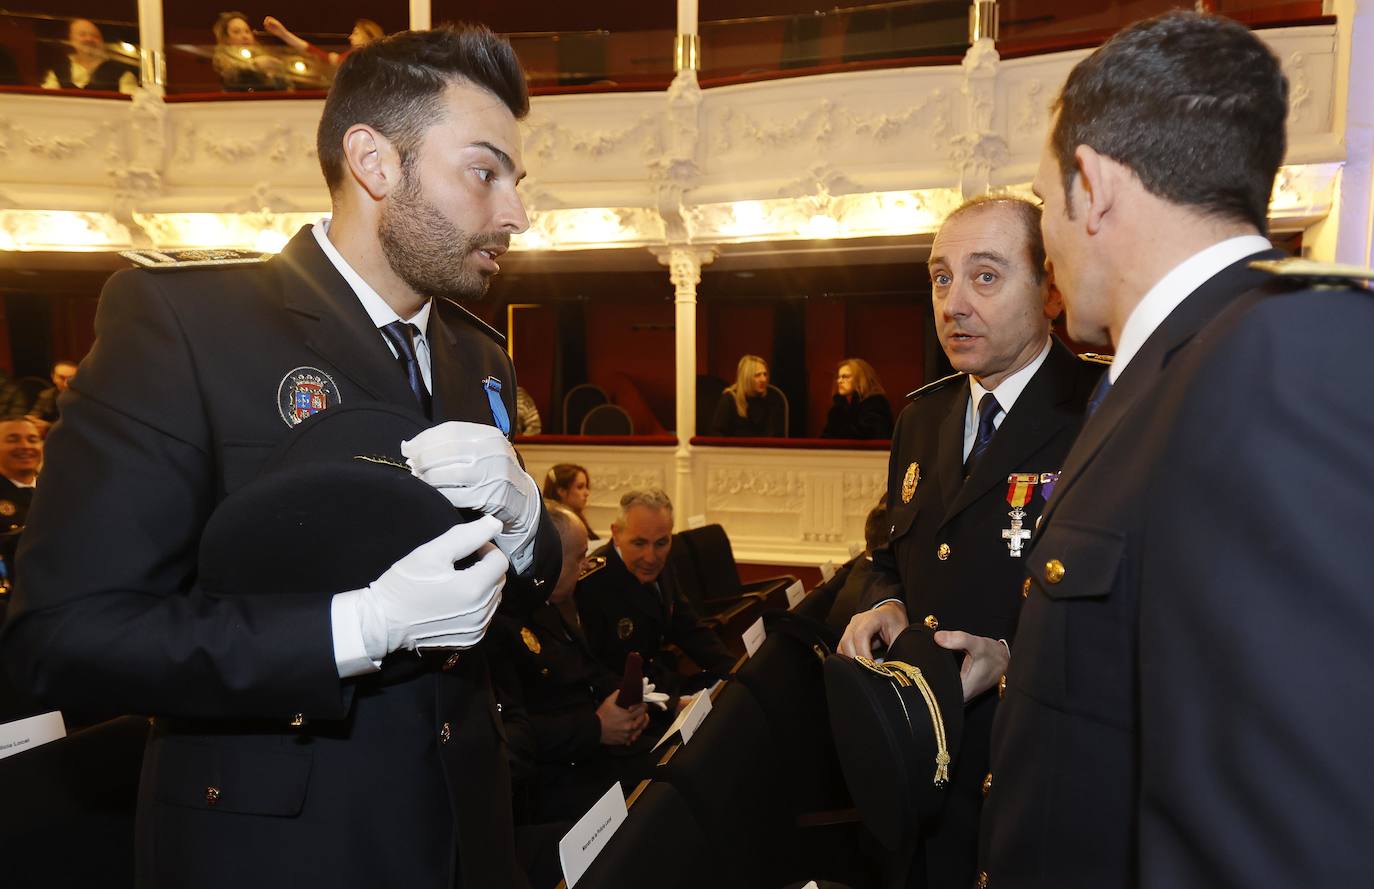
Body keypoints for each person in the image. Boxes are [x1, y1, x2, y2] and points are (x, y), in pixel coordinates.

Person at [1, 25, 562, 889]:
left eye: (515, 181)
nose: (517, 211)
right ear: (375, 163)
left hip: (465, 832)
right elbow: (66, 635)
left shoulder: (479, 354)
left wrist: (527, 527)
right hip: (280, 849)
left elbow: (503, 594)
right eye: (485, 173)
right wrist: (357, 628)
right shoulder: (191, 325)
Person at [981, 12, 1374, 889]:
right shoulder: (1165, 371)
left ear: (1093, 185)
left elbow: (1284, 834)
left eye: (1045, 203)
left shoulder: (1279, 364)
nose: (1046, 239)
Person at [837, 194, 1102, 889]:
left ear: (1049, 290)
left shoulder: (1099, 412)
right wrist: (883, 603)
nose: (953, 302)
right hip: (916, 782)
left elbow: (1136, 622)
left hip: (1025, 781)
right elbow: (889, 557)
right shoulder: (921, 419)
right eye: (940, 277)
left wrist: (1014, 661)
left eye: (985, 276)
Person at [490, 502, 666, 824]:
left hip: (590, 757)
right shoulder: (497, 626)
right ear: (547, 560)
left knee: (682, 768)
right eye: (578, 557)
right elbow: (511, 736)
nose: (584, 566)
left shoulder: (546, 605)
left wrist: (629, 704)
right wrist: (597, 728)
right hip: (553, 783)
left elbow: (590, 671)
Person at [576, 489, 735, 697]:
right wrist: (670, 706)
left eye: (661, 543)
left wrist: (734, 670)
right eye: (639, 543)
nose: (651, 557)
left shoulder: (664, 561)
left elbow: (687, 626)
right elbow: (596, 672)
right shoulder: (591, 583)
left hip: (664, 681)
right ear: (616, 534)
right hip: (629, 700)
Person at [40, 18, 138, 95]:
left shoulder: (123, 74)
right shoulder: (57, 73)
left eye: (95, 36)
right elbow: (47, 103)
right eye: (82, 35)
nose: (89, 39)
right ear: (71, 40)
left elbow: (131, 108)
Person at [262, 15, 383, 70]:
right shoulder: (347, 60)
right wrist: (283, 33)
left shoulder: (380, 64)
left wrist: (283, 33)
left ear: (369, 36)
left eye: (356, 33)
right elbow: (312, 51)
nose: (350, 37)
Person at [709, 354, 786, 436]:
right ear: (746, 378)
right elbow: (717, 434)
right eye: (757, 375)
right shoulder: (730, 399)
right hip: (735, 448)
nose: (763, 379)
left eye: (765, 374)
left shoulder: (771, 399)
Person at [212, 11, 289, 92]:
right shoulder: (222, 61)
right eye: (236, 32)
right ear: (225, 38)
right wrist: (256, 65)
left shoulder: (263, 55)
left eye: (247, 31)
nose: (245, 36)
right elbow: (232, 79)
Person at [820, 357, 893, 439]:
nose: (839, 381)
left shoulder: (875, 403)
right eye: (838, 377)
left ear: (860, 379)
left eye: (845, 377)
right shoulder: (838, 408)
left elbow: (871, 435)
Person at [542, 462, 597, 540]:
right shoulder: (558, 526)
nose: (587, 493)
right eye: (580, 487)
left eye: (586, 487)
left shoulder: (577, 520)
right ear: (561, 491)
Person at [29, 359, 77, 424]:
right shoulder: (47, 394)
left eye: (71, 378)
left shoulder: (85, 397)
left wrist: (48, 426)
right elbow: (34, 416)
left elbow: (77, 426)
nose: (66, 383)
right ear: (53, 377)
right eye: (62, 378)